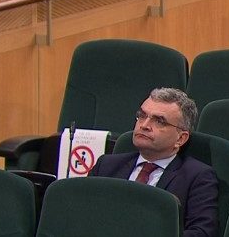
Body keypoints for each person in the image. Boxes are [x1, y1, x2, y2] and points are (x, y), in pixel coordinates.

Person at [89, 88, 218, 237]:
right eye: (142, 116)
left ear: (180, 138)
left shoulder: (197, 177)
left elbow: (202, 233)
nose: (144, 125)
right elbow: (83, 215)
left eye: (159, 121)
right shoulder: (106, 166)